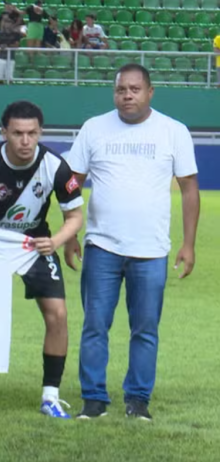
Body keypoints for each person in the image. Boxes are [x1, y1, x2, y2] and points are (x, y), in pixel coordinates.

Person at [64, 64, 200, 421]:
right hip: (101, 247)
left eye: (135, 89)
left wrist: (188, 244)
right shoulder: (94, 128)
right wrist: (70, 235)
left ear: (150, 92)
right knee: (95, 325)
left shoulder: (174, 131)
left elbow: (189, 189)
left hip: (152, 251)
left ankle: (138, 399)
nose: (127, 95)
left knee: (145, 329)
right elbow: (71, 183)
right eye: (121, 89)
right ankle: (94, 399)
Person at [0, 100, 84, 418]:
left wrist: (55, 241)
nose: (25, 141)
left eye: (32, 133)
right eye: (17, 133)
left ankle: (50, 397)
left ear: (40, 131)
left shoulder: (56, 166)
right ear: (4, 132)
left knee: (57, 314)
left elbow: (75, 215)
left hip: (34, 243)